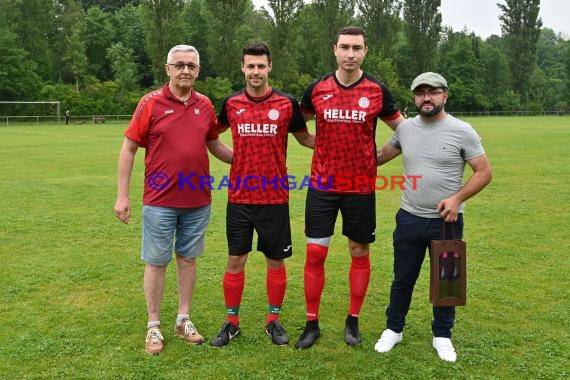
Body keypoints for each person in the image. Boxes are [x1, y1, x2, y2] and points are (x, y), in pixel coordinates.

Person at [113, 44, 233, 355]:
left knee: (188, 259)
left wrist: (246, 159)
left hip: (197, 200)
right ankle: (153, 326)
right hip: (159, 201)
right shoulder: (150, 103)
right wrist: (122, 196)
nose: (185, 70)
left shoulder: (205, 104)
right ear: (168, 69)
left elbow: (215, 146)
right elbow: (128, 150)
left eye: (191, 66)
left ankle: (183, 319)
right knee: (156, 262)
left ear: (198, 70)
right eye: (179, 65)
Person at [294, 26, 405, 349]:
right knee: (316, 252)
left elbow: (405, 131)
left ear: (365, 51)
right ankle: (311, 323)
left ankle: (352, 321)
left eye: (357, 48)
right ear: (335, 49)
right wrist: (320, 144)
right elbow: (298, 127)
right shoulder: (317, 89)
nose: (350, 53)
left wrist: (378, 157)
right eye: (345, 47)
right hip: (322, 185)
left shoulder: (376, 90)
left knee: (359, 250)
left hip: (359, 187)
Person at [373, 72, 492, 362]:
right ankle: (394, 329)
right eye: (421, 92)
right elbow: (378, 157)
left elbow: (484, 172)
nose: (427, 97)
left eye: (433, 92)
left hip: (447, 222)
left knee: (447, 281)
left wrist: (457, 199)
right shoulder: (405, 129)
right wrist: (340, 151)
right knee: (402, 278)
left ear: (444, 96)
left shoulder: (462, 130)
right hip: (410, 218)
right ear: (414, 97)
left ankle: (442, 335)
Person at [210, 42, 314, 347]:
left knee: (275, 262)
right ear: (242, 68)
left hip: (275, 199)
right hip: (240, 198)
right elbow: (212, 137)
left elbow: (305, 137)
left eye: (261, 66)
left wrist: (339, 145)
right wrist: (236, 159)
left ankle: (273, 321)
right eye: (250, 66)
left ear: (270, 67)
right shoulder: (231, 104)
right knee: (235, 260)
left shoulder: (286, 103)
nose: (255, 71)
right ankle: (231, 322)